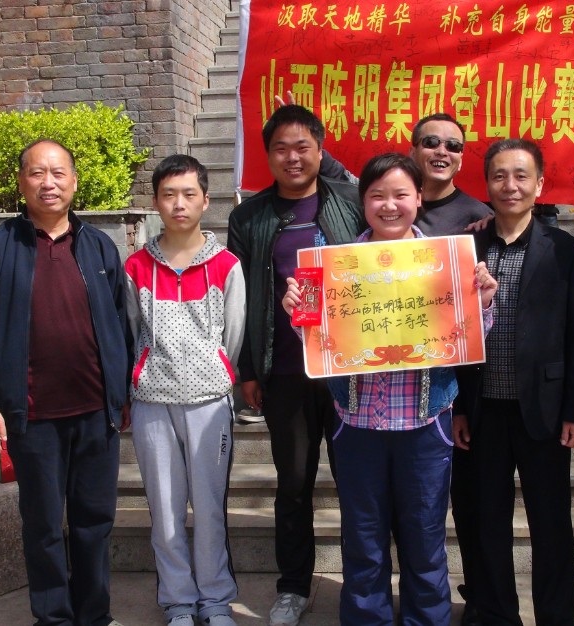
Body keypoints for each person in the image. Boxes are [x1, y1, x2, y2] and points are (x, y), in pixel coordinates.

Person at [282, 153, 498, 626]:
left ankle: (427, 619)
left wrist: (480, 301)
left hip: (425, 425)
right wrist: (298, 310)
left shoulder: (447, 261)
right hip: (357, 424)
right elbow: (316, 342)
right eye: (377, 195)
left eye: (401, 194)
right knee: (363, 539)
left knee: (425, 538)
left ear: (419, 198)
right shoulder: (333, 264)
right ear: (364, 202)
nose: (389, 205)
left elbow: (468, 338)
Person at [0, 139, 131, 626]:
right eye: (37, 173)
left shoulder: (98, 246)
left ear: (74, 181)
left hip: (95, 412)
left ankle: (94, 614)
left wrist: (120, 394)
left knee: (95, 522)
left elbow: (121, 325)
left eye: (58, 173)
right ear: (21, 183)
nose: (48, 183)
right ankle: (53, 617)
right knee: (43, 526)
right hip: (31, 416)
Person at [226, 104, 365, 626]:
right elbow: (241, 299)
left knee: (357, 484)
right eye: (280, 148)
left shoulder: (350, 203)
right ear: (267, 155)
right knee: (293, 483)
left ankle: (363, 583)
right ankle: (292, 586)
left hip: (350, 371)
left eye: (303, 146)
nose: (292, 157)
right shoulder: (250, 217)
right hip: (285, 371)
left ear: (320, 150)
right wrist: (248, 371)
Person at [453, 139, 574, 625]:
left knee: (550, 524)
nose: (509, 185)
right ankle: (496, 614)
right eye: (499, 176)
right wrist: (459, 407)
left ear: (539, 184)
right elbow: (453, 333)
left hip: (546, 411)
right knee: (486, 521)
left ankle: (555, 617)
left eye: (520, 175)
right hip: (483, 409)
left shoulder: (566, 251)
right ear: (486, 184)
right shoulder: (466, 249)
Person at [123, 155, 245, 626]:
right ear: (156, 202)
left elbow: (233, 336)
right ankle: (177, 602)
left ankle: (215, 601)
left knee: (210, 508)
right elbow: (130, 329)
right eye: (169, 195)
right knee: (165, 509)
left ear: (205, 200)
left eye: (189, 194)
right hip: (152, 402)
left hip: (210, 403)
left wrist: (217, 370)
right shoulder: (136, 266)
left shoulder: (227, 265)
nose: (179, 204)